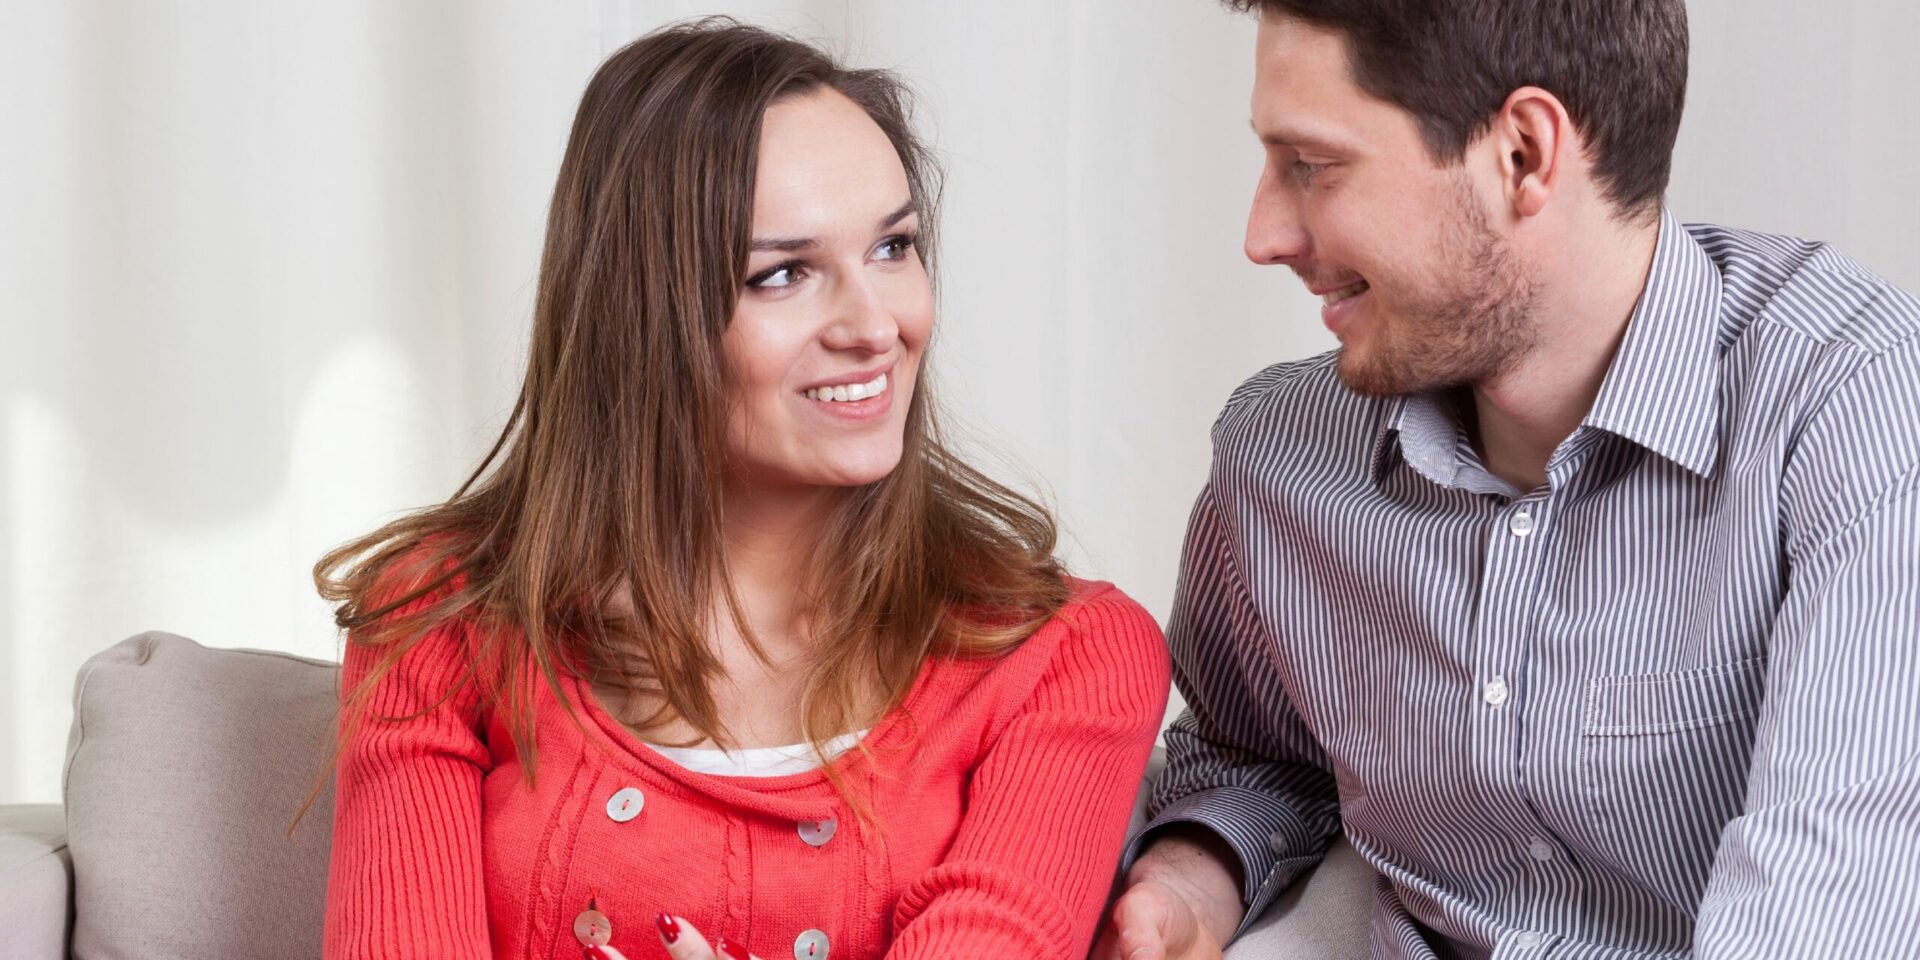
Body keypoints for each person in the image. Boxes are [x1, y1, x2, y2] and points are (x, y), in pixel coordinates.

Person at [315, 19, 1169, 960]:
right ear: (644, 314)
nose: (875, 326)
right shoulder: (436, 617)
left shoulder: (1065, 658)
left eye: (893, 249)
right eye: (786, 274)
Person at [1099, 1, 1920, 958]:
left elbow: (1828, 899)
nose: (1264, 233)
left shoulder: (1853, 410)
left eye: (1312, 167)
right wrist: (1191, 879)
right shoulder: (1281, 460)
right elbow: (1256, 754)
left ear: (1523, 154)